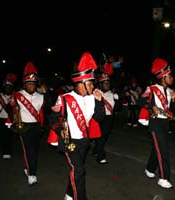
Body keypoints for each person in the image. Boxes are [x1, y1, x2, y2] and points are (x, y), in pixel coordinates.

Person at [47, 52, 105, 200]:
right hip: (69, 141)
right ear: (81, 84)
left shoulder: (93, 98)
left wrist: (99, 102)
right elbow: (53, 119)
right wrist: (61, 130)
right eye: (90, 83)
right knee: (79, 170)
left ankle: (69, 193)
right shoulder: (65, 99)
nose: (93, 86)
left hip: (84, 140)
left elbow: (99, 118)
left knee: (76, 170)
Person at [138, 58, 175, 189]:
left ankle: (149, 169)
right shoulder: (152, 89)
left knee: (157, 149)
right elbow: (141, 100)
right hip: (155, 123)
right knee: (163, 151)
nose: (172, 78)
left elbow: (169, 109)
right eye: (169, 75)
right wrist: (152, 106)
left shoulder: (171, 92)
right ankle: (164, 178)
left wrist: (174, 100)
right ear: (163, 77)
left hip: (165, 123)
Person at [8, 62, 46, 186]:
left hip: (36, 126)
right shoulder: (17, 95)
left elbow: (49, 108)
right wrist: (10, 122)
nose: (31, 85)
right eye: (28, 83)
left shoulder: (41, 96)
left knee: (34, 150)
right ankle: (32, 174)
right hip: (23, 126)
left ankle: (28, 166)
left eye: (33, 83)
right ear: (24, 84)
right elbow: (12, 109)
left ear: (36, 84)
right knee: (28, 150)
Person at [92, 62, 119, 164]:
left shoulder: (111, 93)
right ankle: (100, 156)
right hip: (99, 118)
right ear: (100, 84)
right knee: (100, 137)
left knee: (104, 137)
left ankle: (95, 150)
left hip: (109, 119)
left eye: (108, 83)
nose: (107, 85)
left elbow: (116, 108)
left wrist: (117, 100)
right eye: (105, 83)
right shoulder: (95, 93)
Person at [0, 73, 17, 159]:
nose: (8, 88)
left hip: (11, 119)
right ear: (4, 87)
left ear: (11, 88)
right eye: (6, 87)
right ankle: (5, 151)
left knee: (10, 136)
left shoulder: (15, 97)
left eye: (9, 87)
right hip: (1, 119)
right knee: (3, 136)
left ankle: (8, 150)